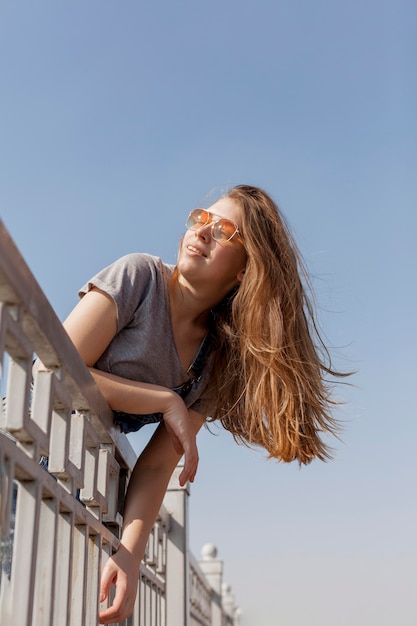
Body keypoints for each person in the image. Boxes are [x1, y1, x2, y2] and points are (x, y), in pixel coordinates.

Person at [62, 184, 346, 624]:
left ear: (244, 272)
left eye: (224, 230)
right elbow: (62, 365)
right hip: (32, 438)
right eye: (201, 219)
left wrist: (130, 556)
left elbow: (157, 468)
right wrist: (164, 401)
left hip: (80, 485)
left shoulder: (213, 361)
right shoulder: (138, 277)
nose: (202, 232)